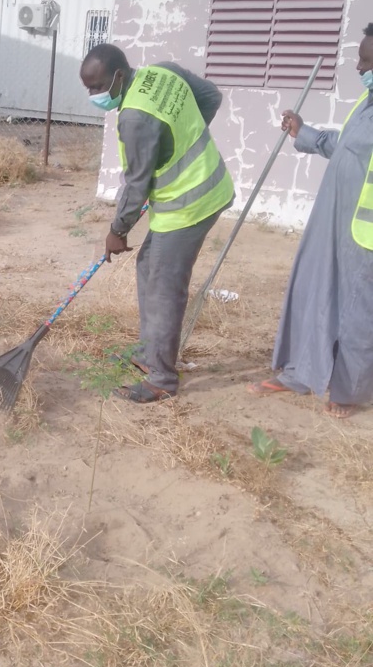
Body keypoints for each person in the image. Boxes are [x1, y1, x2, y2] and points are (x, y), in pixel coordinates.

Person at [80, 44, 234, 403]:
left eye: (97, 86)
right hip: (202, 188)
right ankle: (149, 354)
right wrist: (178, 140)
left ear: (119, 76)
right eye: (88, 88)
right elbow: (210, 96)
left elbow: (137, 185)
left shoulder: (133, 117)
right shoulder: (162, 72)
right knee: (148, 265)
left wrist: (117, 232)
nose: (93, 95)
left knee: (164, 286)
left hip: (189, 204)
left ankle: (162, 379)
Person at [250, 25, 373, 418]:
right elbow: (345, 147)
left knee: (358, 311)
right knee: (314, 289)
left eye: (367, 60)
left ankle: (349, 392)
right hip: (333, 219)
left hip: (365, 232)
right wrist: (305, 134)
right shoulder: (367, 103)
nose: (359, 66)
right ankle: (302, 371)